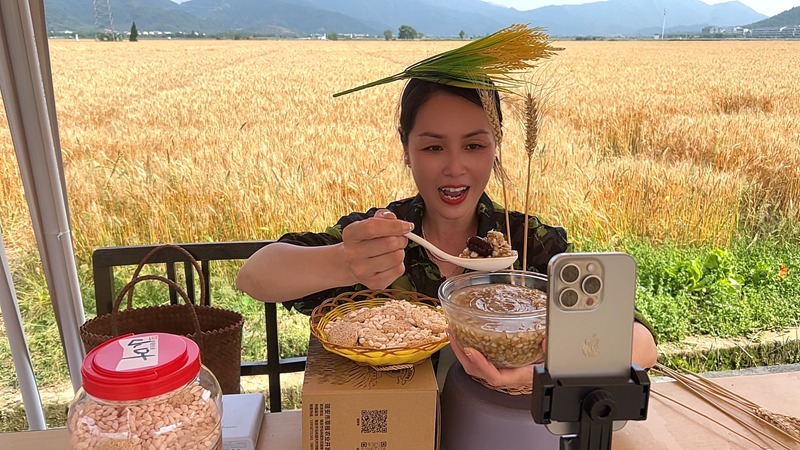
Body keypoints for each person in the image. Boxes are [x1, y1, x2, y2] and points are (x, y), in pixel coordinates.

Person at [236, 76, 658, 388]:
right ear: (406, 147)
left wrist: (540, 374)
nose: (455, 167)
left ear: (497, 144)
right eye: (433, 146)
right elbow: (254, 276)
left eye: (474, 146)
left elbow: (640, 343)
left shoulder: (532, 243)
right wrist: (342, 262)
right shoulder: (380, 233)